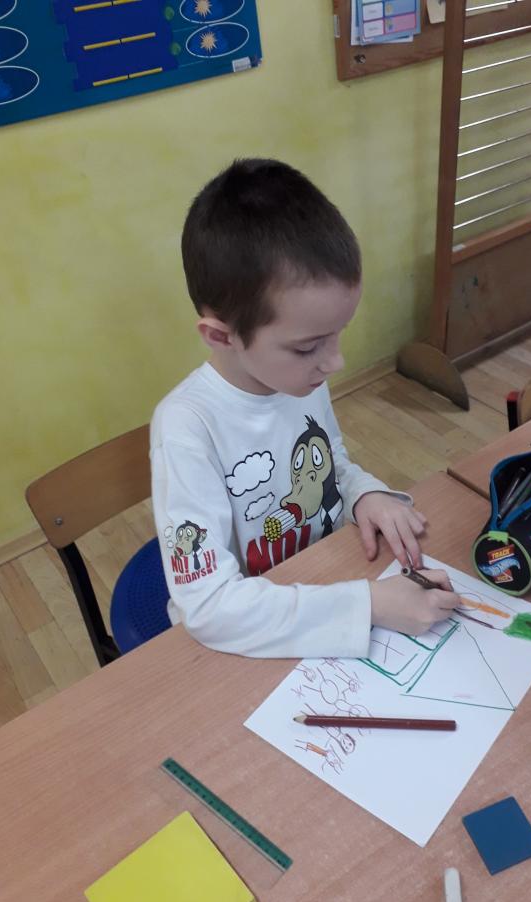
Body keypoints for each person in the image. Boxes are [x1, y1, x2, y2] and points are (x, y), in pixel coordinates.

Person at [150, 158, 459, 657]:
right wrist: (370, 605)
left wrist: (363, 494)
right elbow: (207, 608)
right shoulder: (186, 427)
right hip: (244, 636)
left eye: (337, 335)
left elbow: (330, 464)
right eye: (309, 346)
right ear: (221, 336)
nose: (334, 362)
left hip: (318, 577)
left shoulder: (296, 377)